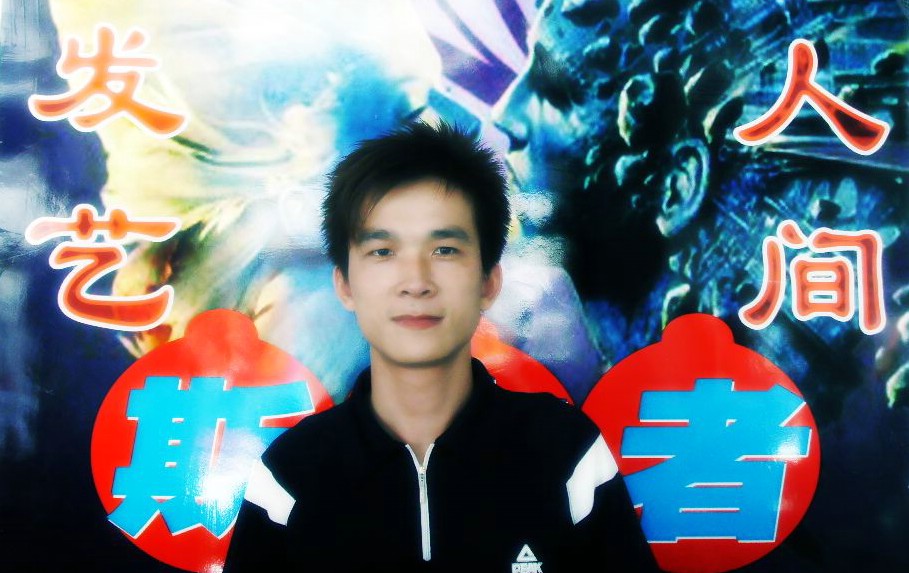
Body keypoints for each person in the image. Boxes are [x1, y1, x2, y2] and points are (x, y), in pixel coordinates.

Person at [224, 122, 659, 572]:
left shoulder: (566, 452)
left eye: (445, 250)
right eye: (382, 251)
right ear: (345, 285)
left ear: (489, 282)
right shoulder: (291, 474)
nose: (416, 281)